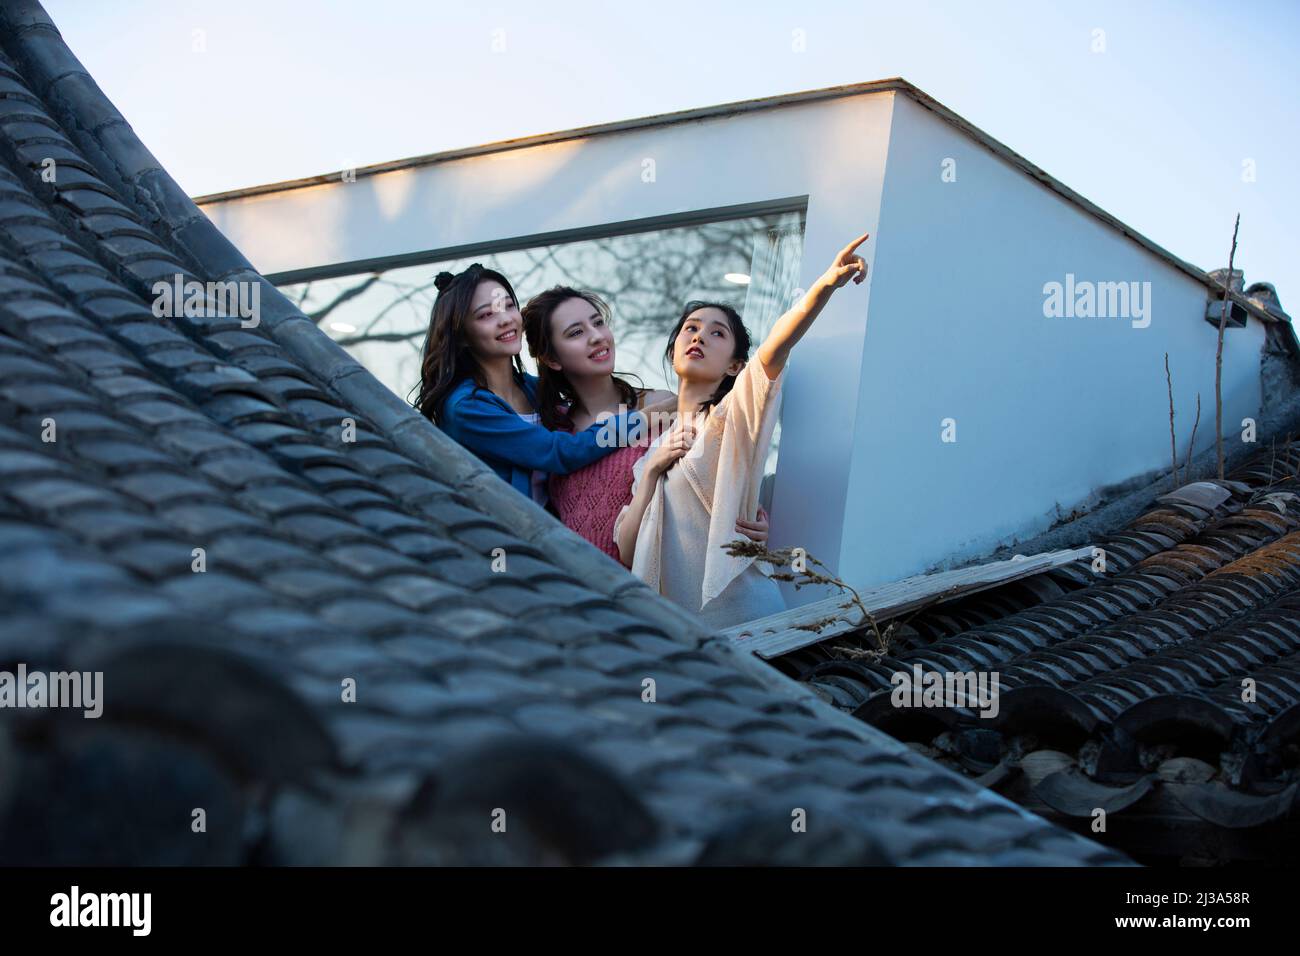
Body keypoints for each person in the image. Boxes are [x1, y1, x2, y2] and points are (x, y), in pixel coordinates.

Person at [614, 232, 869, 628]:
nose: (699, 336)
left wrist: (825, 285)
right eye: (691, 328)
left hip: (746, 622)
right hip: (678, 637)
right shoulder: (652, 451)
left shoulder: (730, 419)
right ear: (673, 349)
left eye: (718, 333)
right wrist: (651, 472)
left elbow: (775, 349)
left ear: (735, 366)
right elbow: (628, 551)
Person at [522, 285, 769, 561]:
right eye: (576, 332)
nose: (596, 337)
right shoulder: (552, 431)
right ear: (552, 359)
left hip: (647, 586)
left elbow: (708, 476)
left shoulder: (663, 405)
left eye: (598, 323)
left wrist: (750, 513)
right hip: (576, 587)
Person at [413, 263, 643, 505]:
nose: (504, 319)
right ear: (461, 336)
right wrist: (642, 420)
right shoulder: (466, 408)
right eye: (486, 315)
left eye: (509, 306)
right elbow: (559, 452)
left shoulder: (533, 389)